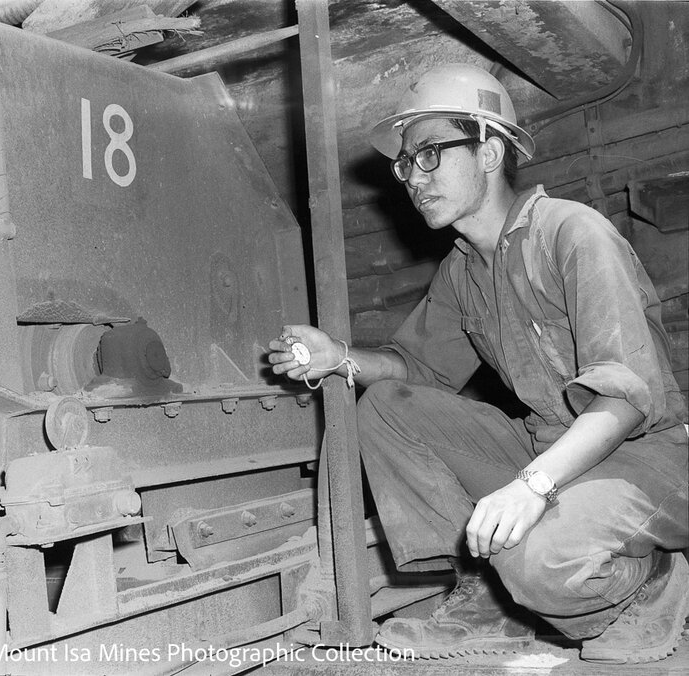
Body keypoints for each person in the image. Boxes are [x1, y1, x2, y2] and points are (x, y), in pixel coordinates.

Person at [268, 63, 689, 663]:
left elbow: (624, 397)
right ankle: (484, 595)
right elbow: (414, 371)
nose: (413, 177)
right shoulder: (463, 270)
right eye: (405, 163)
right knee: (385, 408)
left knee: (538, 562)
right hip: (547, 447)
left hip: (648, 460)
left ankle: (646, 578)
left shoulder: (573, 233)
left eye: (430, 153)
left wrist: (530, 487)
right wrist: (338, 358)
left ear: (490, 151)